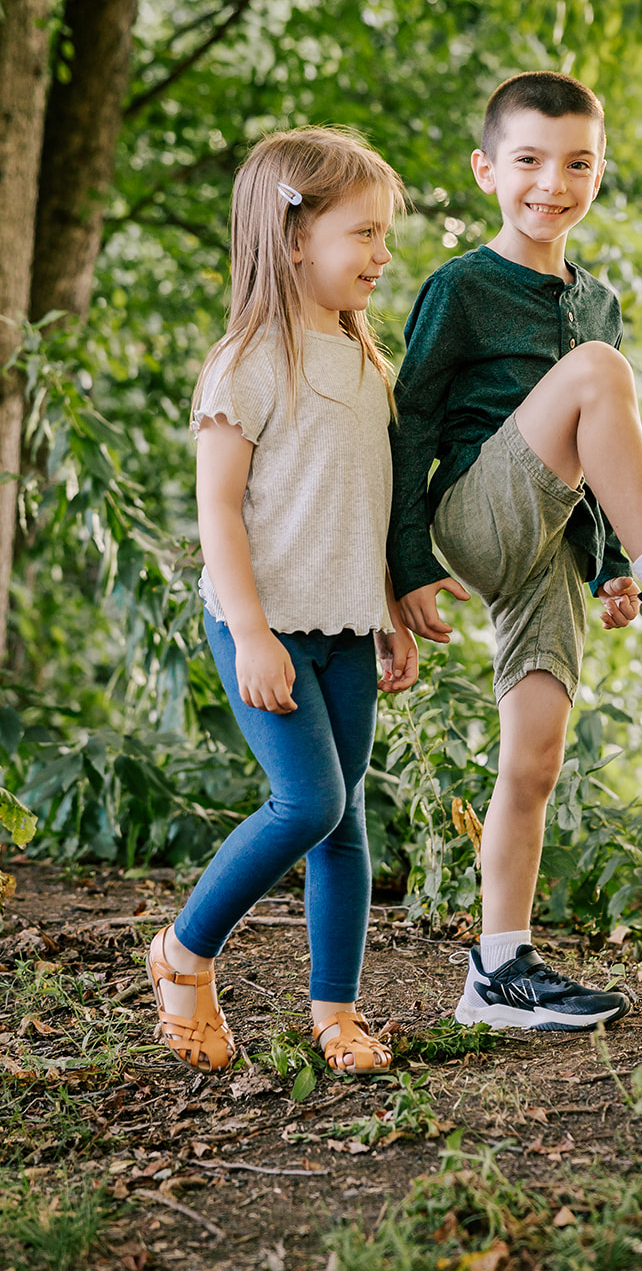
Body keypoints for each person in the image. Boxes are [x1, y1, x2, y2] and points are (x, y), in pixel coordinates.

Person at [387, 72, 642, 1033]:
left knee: (534, 757)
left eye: (576, 164)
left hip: (553, 543)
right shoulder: (462, 286)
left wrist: (604, 560)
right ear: (486, 169)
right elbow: (412, 422)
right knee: (599, 374)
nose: (551, 183)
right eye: (528, 160)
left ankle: (498, 969)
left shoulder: (595, 299)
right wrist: (403, 564)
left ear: (599, 172)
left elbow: (596, 458)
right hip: (477, 515)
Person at [146, 127, 419, 1076]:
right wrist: (252, 631)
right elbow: (217, 509)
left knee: (344, 828)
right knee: (307, 802)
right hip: (259, 624)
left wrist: (385, 610)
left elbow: (370, 507)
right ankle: (183, 952)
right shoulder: (248, 362)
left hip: (345, 629)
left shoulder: (367, 365)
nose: (383, 256)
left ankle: (335, 1016)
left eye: (386, 238)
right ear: (295, 237)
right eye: (366, 235)